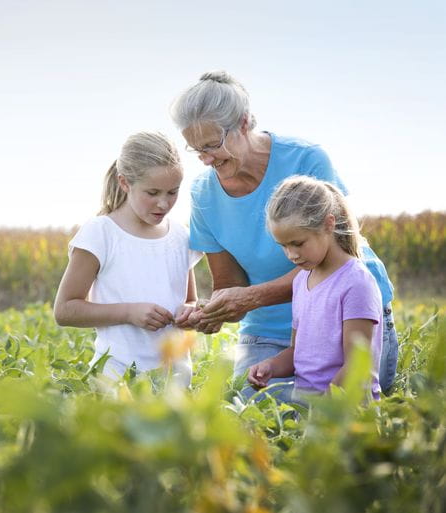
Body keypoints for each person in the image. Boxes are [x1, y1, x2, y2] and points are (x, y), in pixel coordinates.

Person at [169, 70, 398, 397]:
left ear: (244, 123)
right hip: (270, 330)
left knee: (339, 399)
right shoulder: (204, 195)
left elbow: (337, 260)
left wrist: (252, 297)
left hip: (345, 317)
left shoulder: (306, 159)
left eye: (212, 145)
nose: (205, 159)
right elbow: (230, 285)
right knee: (254, 405)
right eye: (196, 150)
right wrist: (214, 311)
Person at [53, 131, 204, 381]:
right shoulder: (100, 233)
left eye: (172, 192)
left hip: (174, 380)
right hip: (117, 379)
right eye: (152, 193)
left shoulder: (180, 236)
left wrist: (189, 313)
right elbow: (65, 310)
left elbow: (189, 300)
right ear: (125, 183)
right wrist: (129, 313)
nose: (164, 204)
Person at [247, 176, 383, 400]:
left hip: (346, 414)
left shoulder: (356, 283)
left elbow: (357, 367)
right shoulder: (301, 281)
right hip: (309, 411)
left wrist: (323, 413)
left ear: (329, 224)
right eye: (284, 246)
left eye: (298, 243)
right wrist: (271, 366)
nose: (291, 255)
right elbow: (298, 353)